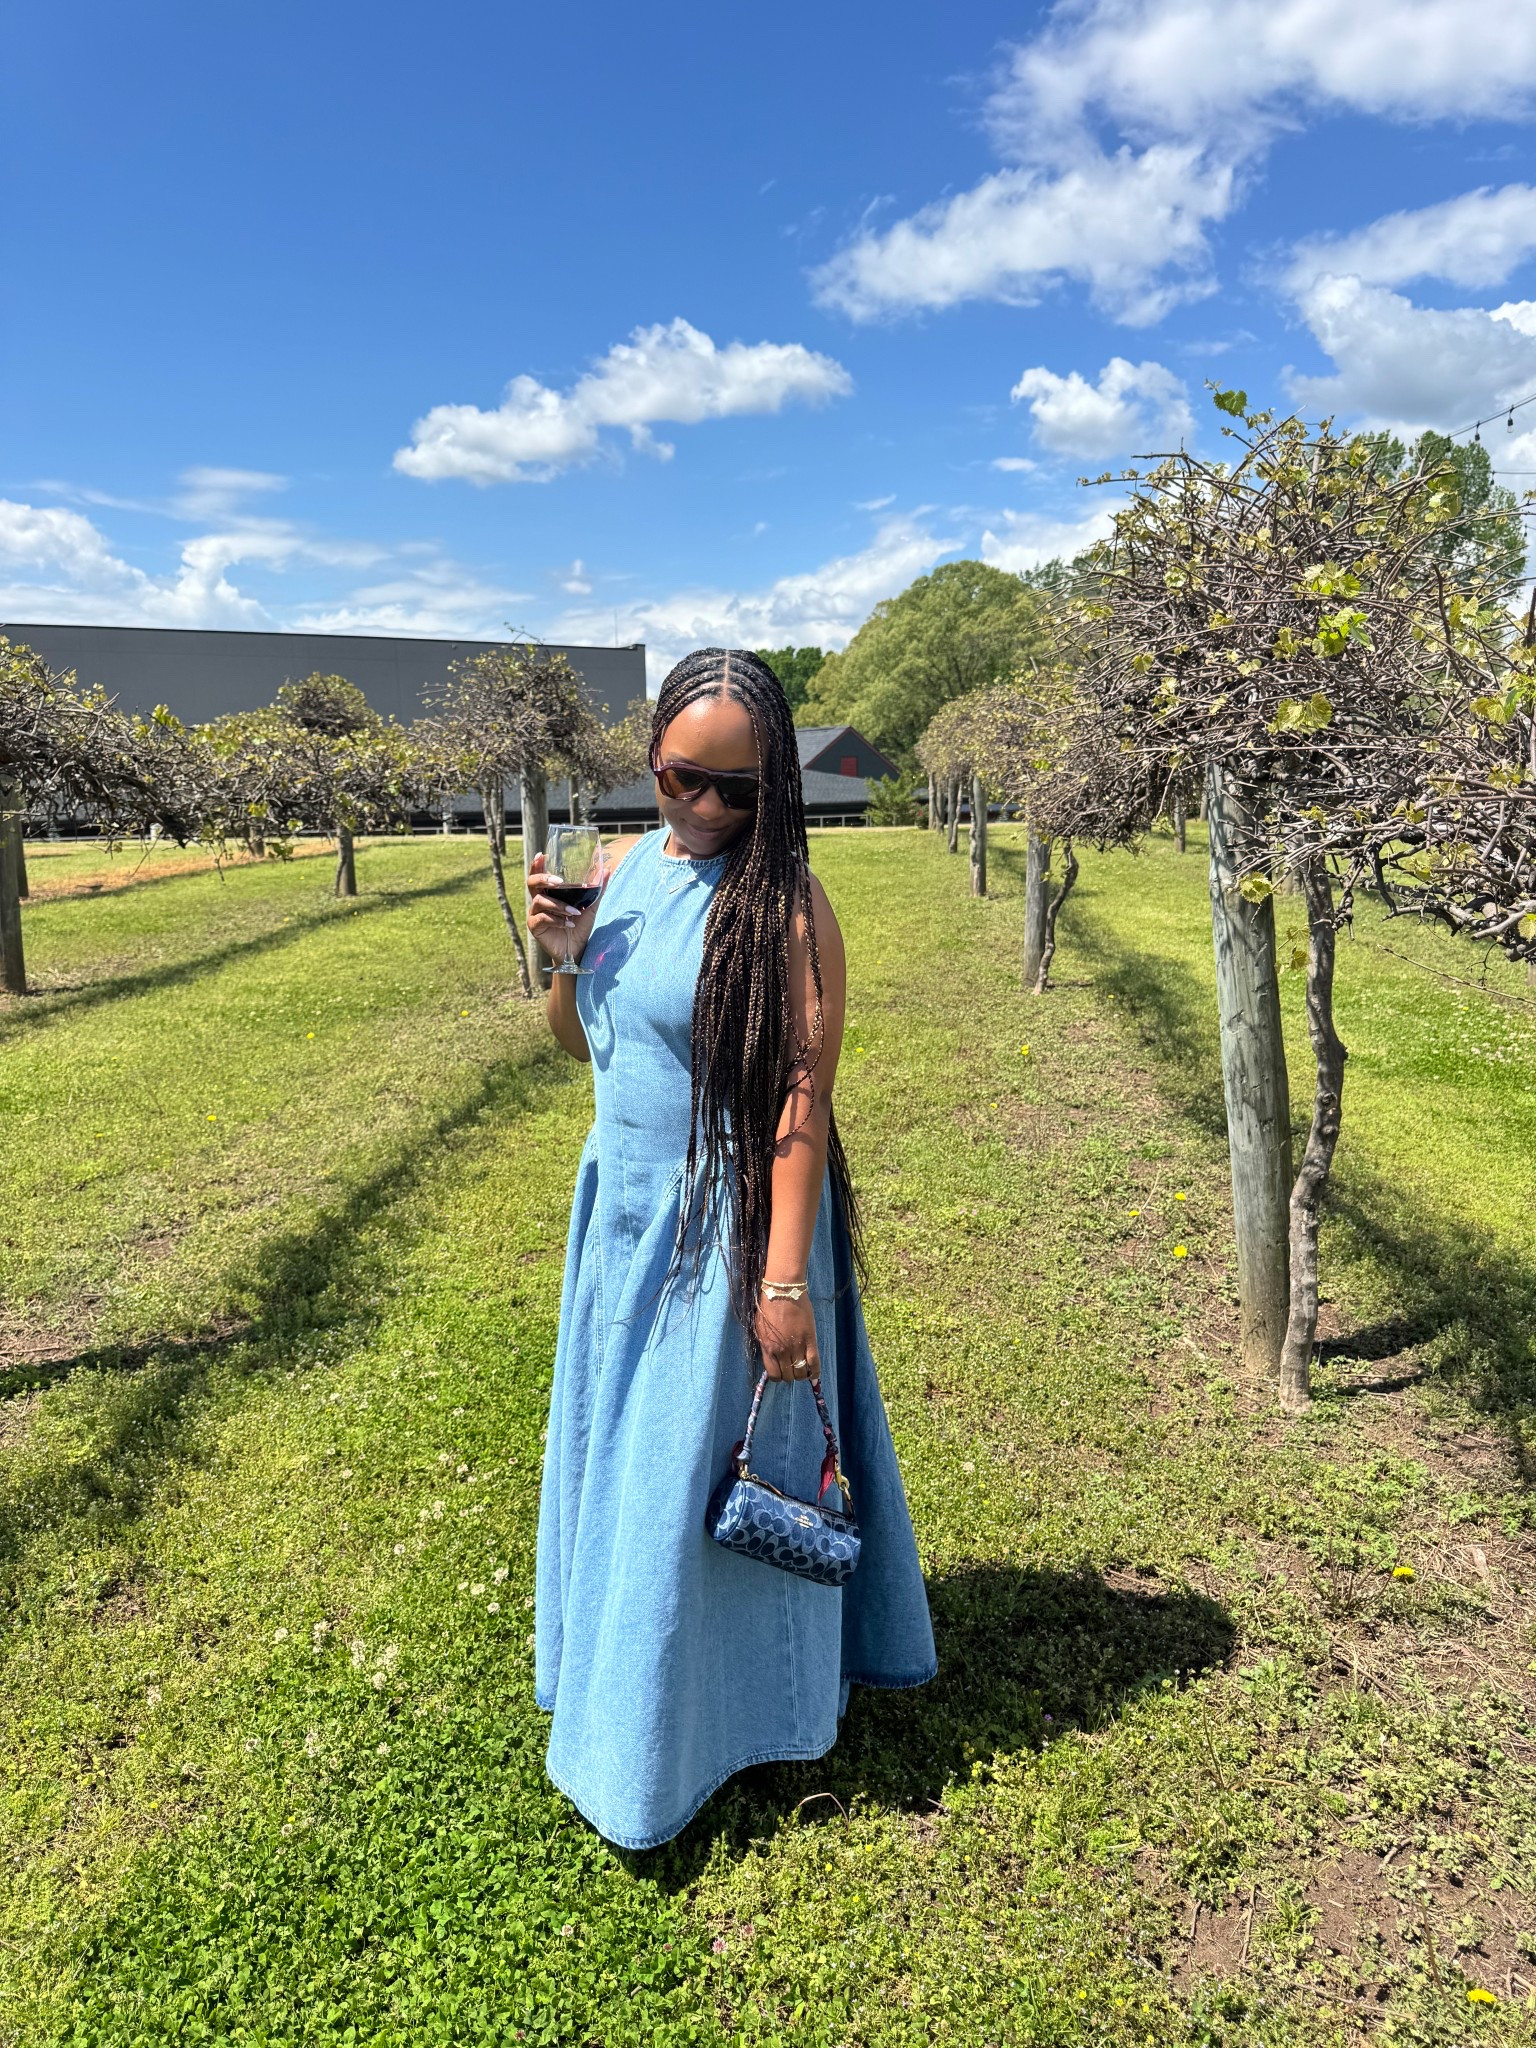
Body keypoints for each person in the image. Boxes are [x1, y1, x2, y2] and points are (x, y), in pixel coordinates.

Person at [526, 647, 935, 1851]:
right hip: (622, 1213)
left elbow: (801, 1103)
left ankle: (700, 1731)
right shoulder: (629, 866)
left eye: (736, 790)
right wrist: (563, 954)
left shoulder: (790, 906)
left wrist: (783, 1279)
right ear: (649, 760)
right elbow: (579, 1046)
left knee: (694, 1482)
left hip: (727, 1232)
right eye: (678, 779)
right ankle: (634, 1692)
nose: (702, 808)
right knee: (630, 1467)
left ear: (779, 791)